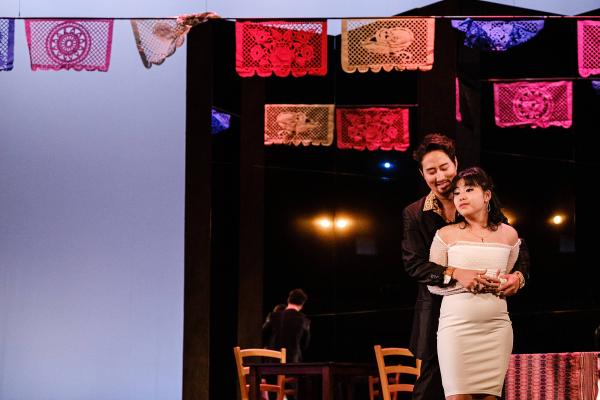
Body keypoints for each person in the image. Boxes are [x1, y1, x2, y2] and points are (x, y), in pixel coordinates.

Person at [402, 133, 528, 400]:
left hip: (489, 316)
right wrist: (456, 273)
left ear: (455, 163)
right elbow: (414, 265)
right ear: (422, 174)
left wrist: (518, 277)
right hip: (439, 312)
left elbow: (515, 249)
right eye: (431, 171)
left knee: (488, 392)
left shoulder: (477, 201)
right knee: (428, 390)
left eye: (444, 167)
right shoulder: (414, 213)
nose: (440, 176)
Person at [430, 167, 519, 399]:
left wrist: (509, 281)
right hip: (456, 329)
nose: (461, 196)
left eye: (469, 189)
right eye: (457, 193)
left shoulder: (509, 235)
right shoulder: (445, 234)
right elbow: (432, 282)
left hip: (497, 328)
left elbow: (509, 275)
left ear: (487, 195)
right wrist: (464, 280)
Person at [262, 289, 311, 363]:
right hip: (292, 364)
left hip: (272, 363)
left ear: (288, 300)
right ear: (302, 305)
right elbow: (304, 345)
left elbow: (263, 334)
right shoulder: (304, 320)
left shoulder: (273, 316)